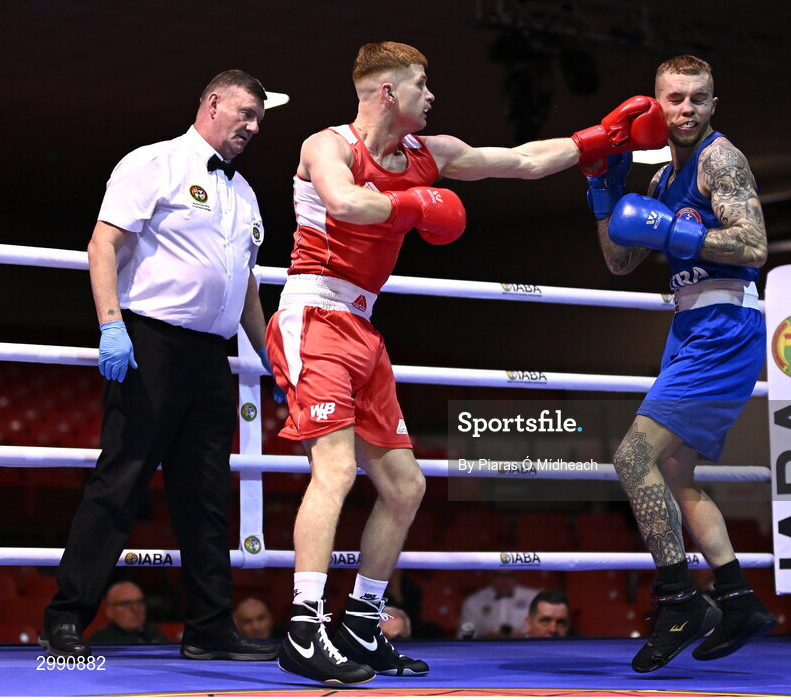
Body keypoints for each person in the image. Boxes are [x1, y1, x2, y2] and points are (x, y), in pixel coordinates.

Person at [264, 40, 667, 685]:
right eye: (422, 84)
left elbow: (525, 161)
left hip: (362, 327)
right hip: (313, 314)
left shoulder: (432, 153)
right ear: (388, 91)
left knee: (405, 486)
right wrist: (415, 206)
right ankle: (304, 629)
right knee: (335, 470)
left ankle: (360, 626)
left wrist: (601, 138)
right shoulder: (329, 145)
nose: (433, 96)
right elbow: (343, 202)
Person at [40, 70, 278, 664]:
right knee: (120, 482)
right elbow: (103, 245)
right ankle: (65, 619)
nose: (253, 127)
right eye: (246, 113)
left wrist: (272, 354)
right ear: (213, 103)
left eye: (259, 120)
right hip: (150, 341)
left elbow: (244, 287)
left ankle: (209, 627)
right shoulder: (153, 164)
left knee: (204, 497)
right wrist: (111, 324)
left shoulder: (245, 193)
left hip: (211, 356)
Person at [581, 55, 775, 673]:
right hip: (689, 325)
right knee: (673, 473)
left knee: (631, 456)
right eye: (674, 98)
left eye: (698, 97)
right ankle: (739, 600)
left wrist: (678, 234)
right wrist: (605, 193)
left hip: (725, 323)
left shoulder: (722, 159)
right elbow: (619, 261)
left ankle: (677, 596)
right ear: (655, 105)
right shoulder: (663, 181)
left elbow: (753, 245)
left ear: (714, 104)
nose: (686, 108)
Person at [459, 572, 539, 639]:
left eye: (509, 575)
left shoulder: (533, 597)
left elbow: (544, 630)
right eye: (499, 575)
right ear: (490, 575)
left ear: (516, 576)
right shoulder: (473, 601)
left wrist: (526, 637)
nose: (504, 580)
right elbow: (465, 634)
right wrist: (484, 638)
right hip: (487, 650)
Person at [89, 582, 170, 644]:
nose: (136, 609)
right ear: (110, 611)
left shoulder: (156, 635)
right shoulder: (101, 642)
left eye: (139, 602)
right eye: (126, 603)